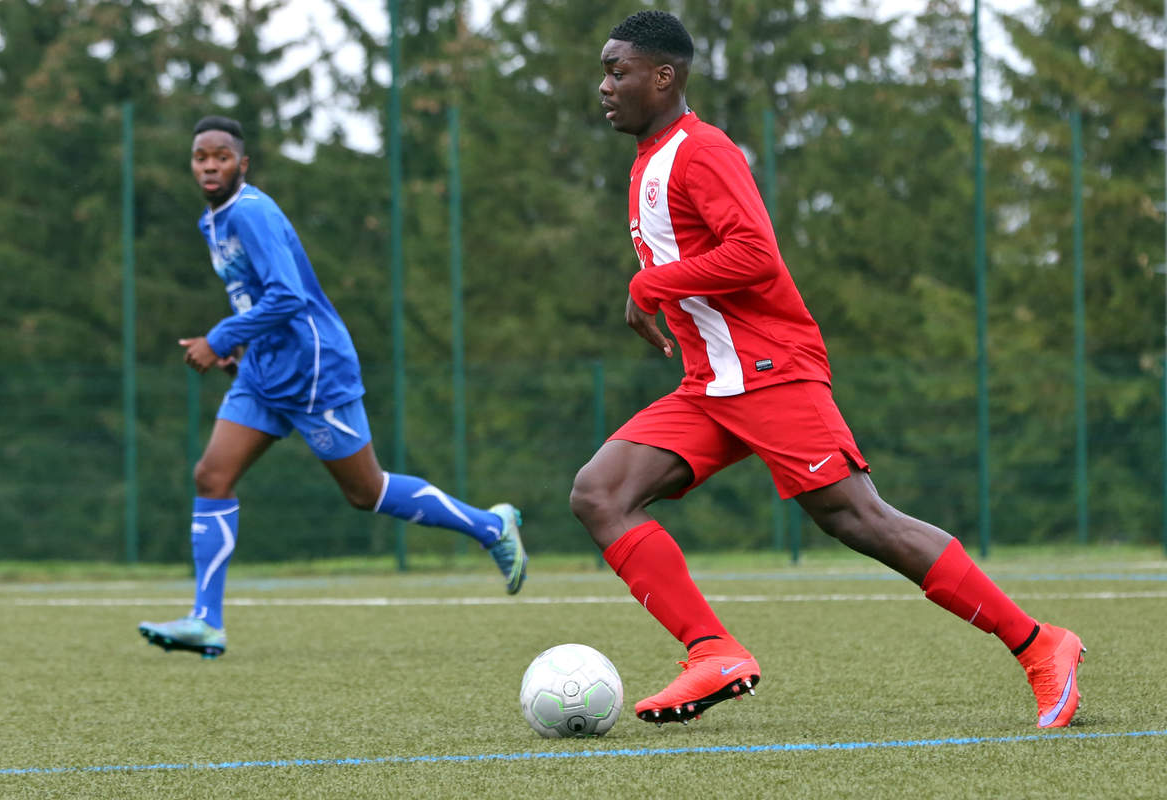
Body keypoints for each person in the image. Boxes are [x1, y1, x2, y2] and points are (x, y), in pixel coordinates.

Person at [571, 10, 1084, 728]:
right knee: (600, 494)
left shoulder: (701, 152)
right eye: (604, 70)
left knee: (860, 518)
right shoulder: (651, 159)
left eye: (617, 70)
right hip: (713, 384)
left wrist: (646, 287)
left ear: (665, 76)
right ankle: (714, 650)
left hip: (769, 370)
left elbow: (755, 254)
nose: (604, 85)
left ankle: (1041, 644)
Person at [139, 116, 527, 658]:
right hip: (263, 371)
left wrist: (220, 336)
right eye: (201, 156)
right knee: (211, 475)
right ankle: (206, 620)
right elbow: (254, 299)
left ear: (242, 164)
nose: (209, 165)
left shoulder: (251, 212)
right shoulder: (213, 221)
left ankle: (492, 526)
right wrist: (240, 349)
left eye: (221, 156)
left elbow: (288, 297)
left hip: (313, 368)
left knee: (365, 491)